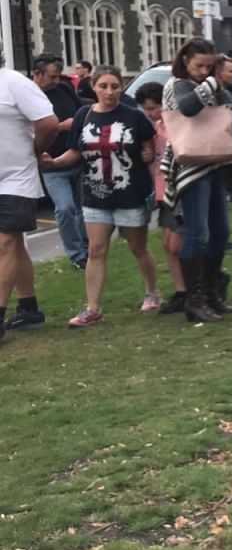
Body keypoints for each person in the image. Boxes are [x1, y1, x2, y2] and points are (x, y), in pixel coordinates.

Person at [40, 65, 161, 326]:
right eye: (103, 86)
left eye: (115, 86)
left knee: (137, 247)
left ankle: (153, 293)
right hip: (95, 195)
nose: (109, 92)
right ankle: (93, 308)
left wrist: (148, 155)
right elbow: (76, 152)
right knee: (96, 250)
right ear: (93, 87)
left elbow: (150, 145)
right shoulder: (84, 115)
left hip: (130, 193)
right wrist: (55, 162)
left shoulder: (134, 117)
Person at [162, 43, 232, 322]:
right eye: (199, 66)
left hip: (213, 162)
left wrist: (221, 93)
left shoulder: (207, 84)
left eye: (209, 66)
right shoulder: (177, 85)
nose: (204, 71)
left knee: (220, 231)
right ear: (185, 61)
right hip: (190, 165)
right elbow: (188, 108)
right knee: (197, 232)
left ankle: (209, 293)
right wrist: (211, 83)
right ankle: (193, 299)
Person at [0, 56, 58, 341]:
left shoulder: (14, 83)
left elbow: (48, 122)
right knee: (15, 246)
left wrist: (34, 151)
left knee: (5, 243)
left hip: (14, 177)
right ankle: (29, 309)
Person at [30, 53, 88, 268]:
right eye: (52, 77)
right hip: (51, 163)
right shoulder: (28, 95)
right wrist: (61, 126)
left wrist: (78, 122)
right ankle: (76, 254)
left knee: (84, 208)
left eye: (58, 76)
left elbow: (81, 110)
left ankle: (89, 249)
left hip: (77, 156)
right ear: (37, 74)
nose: (56, 81)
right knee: (64, 208)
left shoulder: (63, 88)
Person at [136, 82, 188, 315]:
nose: (150, 114)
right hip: (161, 190)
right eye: (146, 109)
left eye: (153, 108)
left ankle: (195, 286)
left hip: (177, 190)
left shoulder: (176, 126)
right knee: (168, 245)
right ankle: (181, 291)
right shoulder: (156, 128)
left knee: (177, 244)